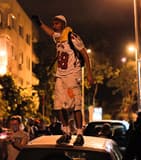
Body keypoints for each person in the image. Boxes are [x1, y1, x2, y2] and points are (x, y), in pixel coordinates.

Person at [32, 14, 93, 146]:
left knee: (76, 106)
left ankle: (80, 134)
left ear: (63, 24)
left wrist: (89, 74)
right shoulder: (58, 37)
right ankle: (66, 132)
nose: (54, 26)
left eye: (57, 23)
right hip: (60, 75)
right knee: (58, 105)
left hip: (72, 75)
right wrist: (40, 23)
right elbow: (50, 33)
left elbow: (85, 55)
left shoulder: (72, 37)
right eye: (53, 23)